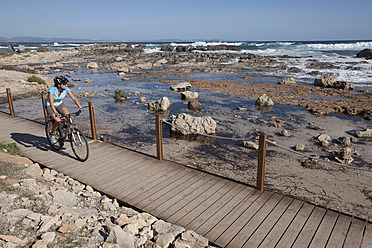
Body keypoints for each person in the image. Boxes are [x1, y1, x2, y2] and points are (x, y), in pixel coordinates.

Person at [45, 76, 82, 143]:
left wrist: (80, 107)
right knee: (58, 121)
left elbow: (74, 98)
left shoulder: (66, 89)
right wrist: (56, 113)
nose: (66, 85)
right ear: (59, 85)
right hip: (50, 106)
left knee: (68, 117)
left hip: (59, 104)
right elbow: (51, 104)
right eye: (64, 84)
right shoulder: (52, 90)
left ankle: (70, 135)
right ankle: (52, 134)